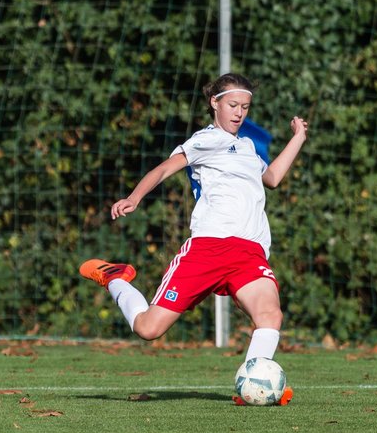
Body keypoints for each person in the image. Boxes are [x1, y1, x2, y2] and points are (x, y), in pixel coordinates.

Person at [79, 73, 309, 404]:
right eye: (232, 105)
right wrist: (135, 197)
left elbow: (272, 177)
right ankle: (114, 278)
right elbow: (163, 169)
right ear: (214, 103)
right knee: (148, 329)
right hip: (208, 249)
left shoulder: (247, 148)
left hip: (250, 254)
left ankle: (252, 388)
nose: (239, 113)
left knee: (270, 316)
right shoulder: (205, 140)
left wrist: (298, 136)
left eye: (245, 107)